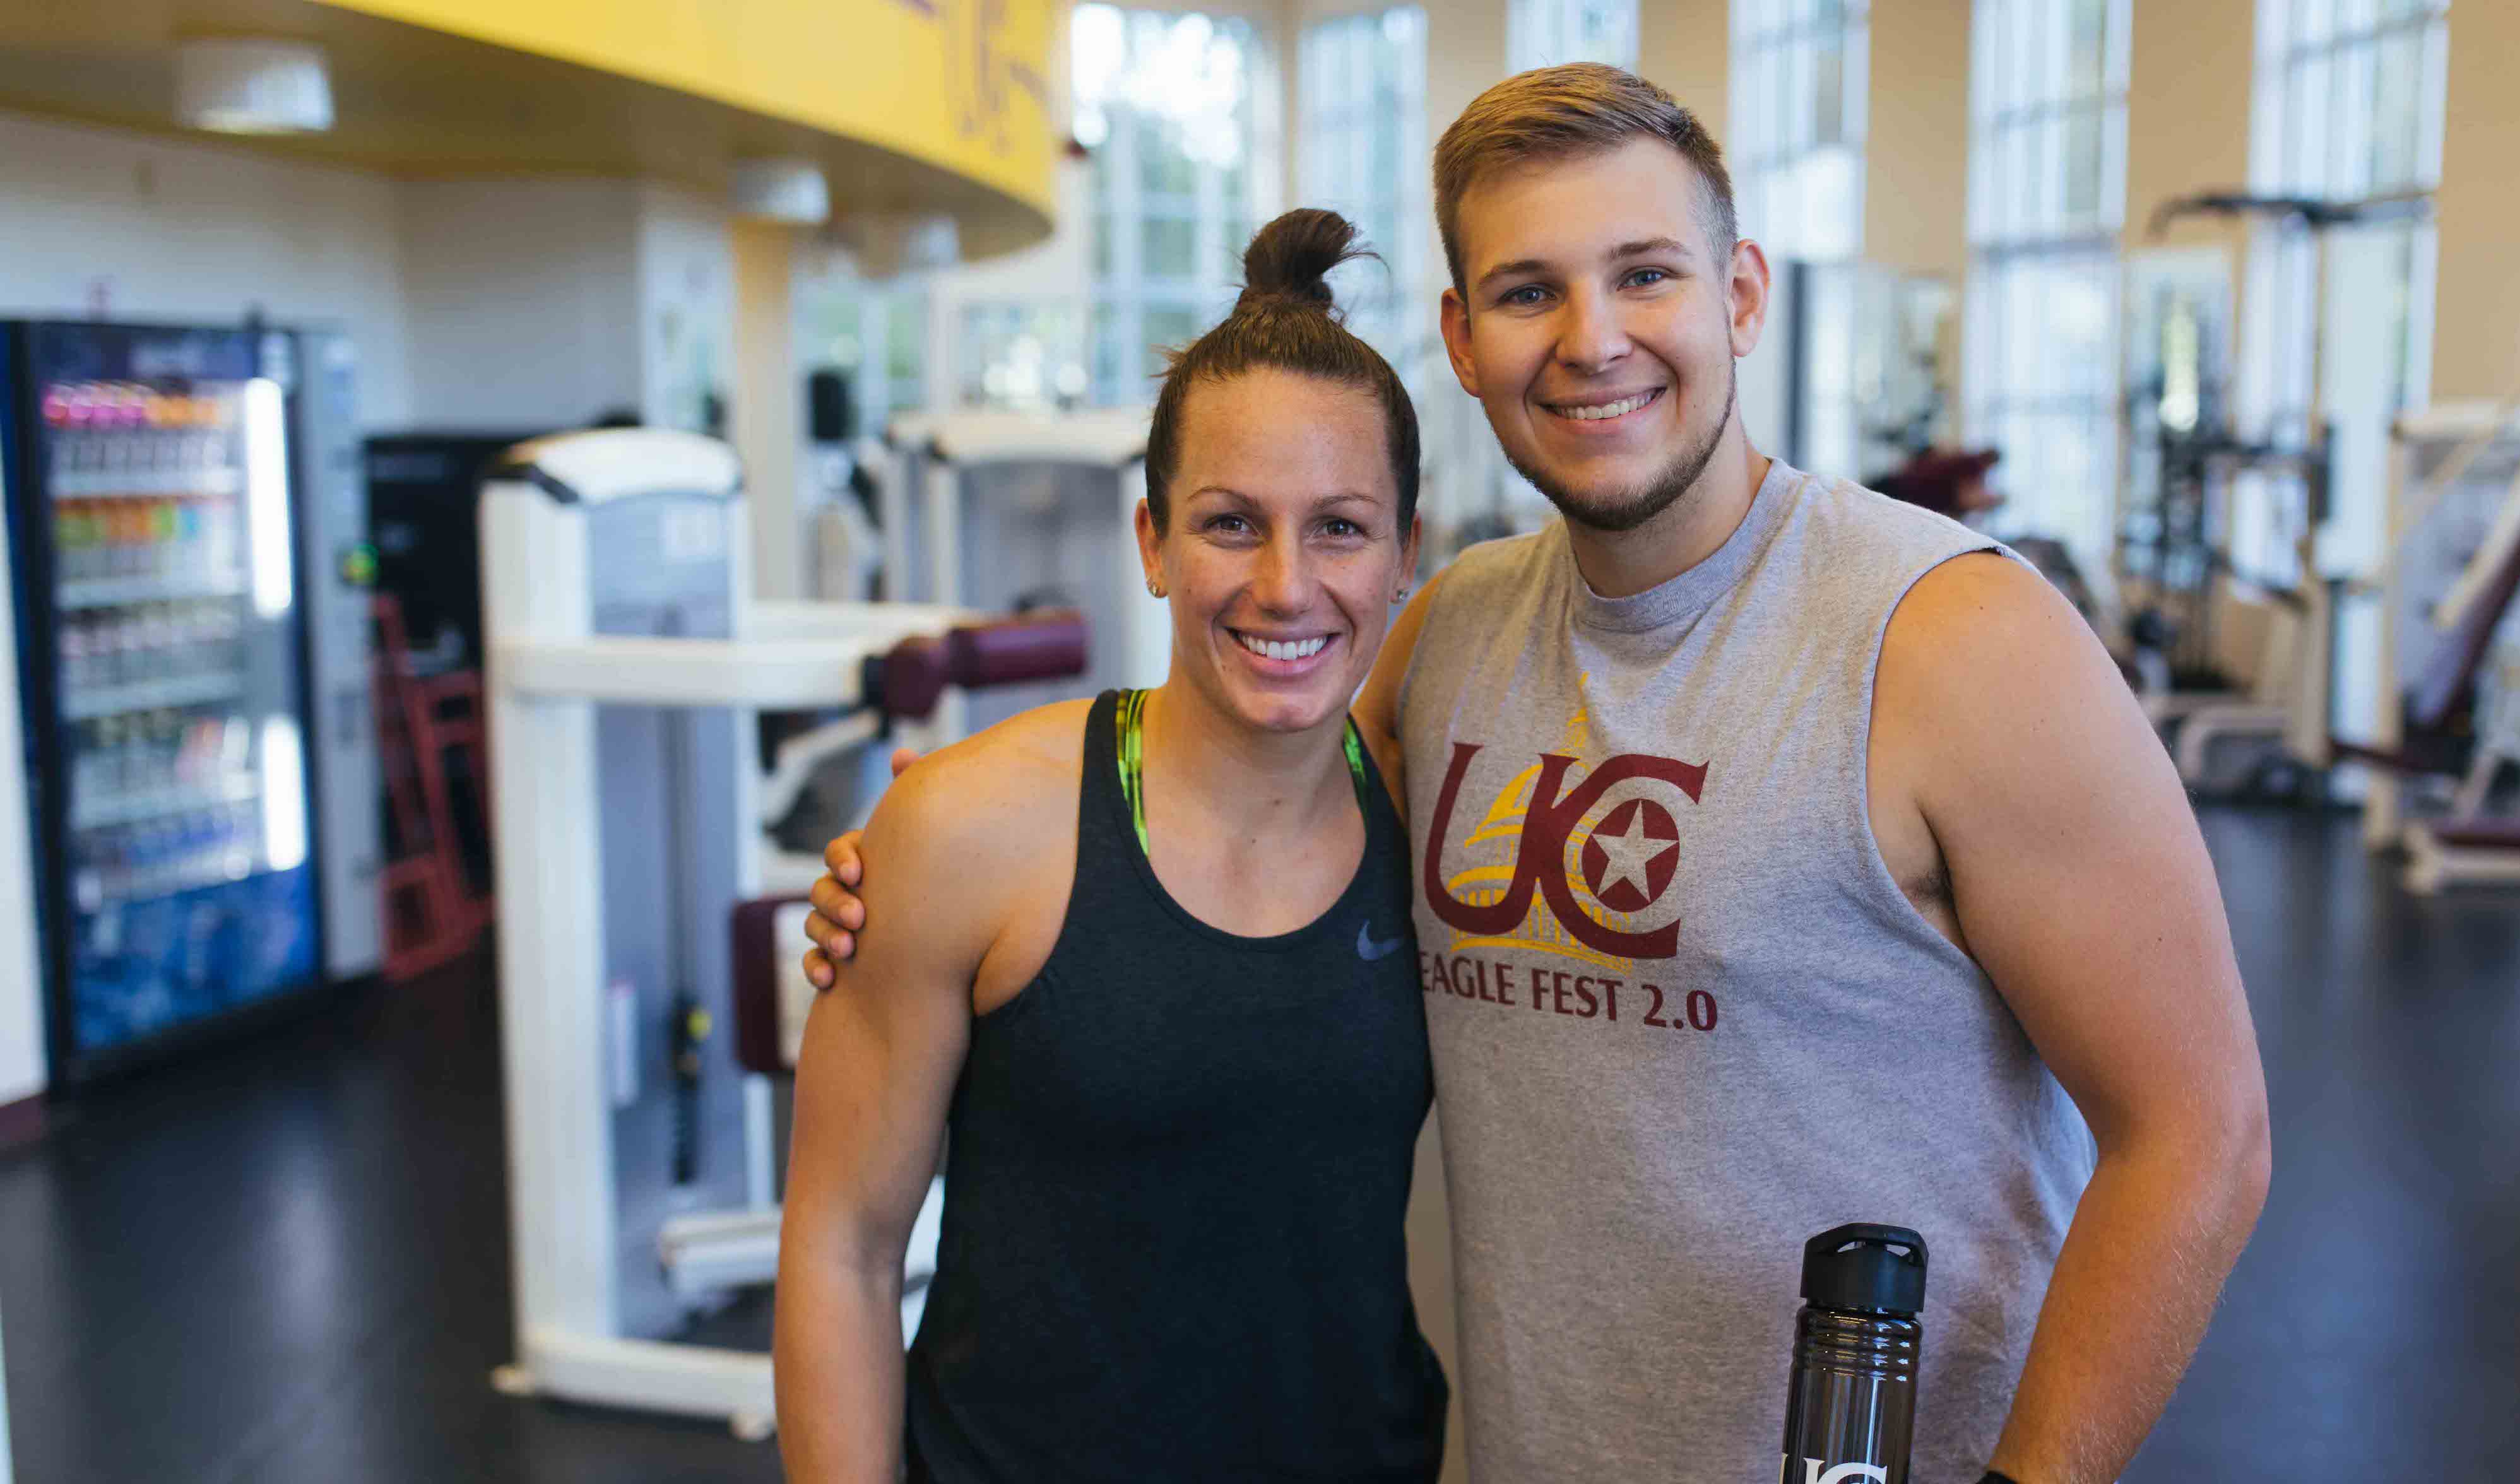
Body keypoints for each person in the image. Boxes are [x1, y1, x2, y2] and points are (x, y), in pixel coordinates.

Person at [807, 66, 2271, 1484]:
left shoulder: (1957, 638)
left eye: (1645, 274)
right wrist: (941, 851)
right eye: (1528, 292)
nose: (1591, 339)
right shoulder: (1452, 635)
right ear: (1461, 336)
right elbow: (1240, 771)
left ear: (1740, 293)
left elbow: (2198, 1137)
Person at [772, 209, 1447, 1483]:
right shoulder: (969, 829)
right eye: (1231, 523)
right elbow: (842, 1253)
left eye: (1342, 528)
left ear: (1406, 555)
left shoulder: (1435, 825)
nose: (1287, 584)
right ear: (1152, 543)